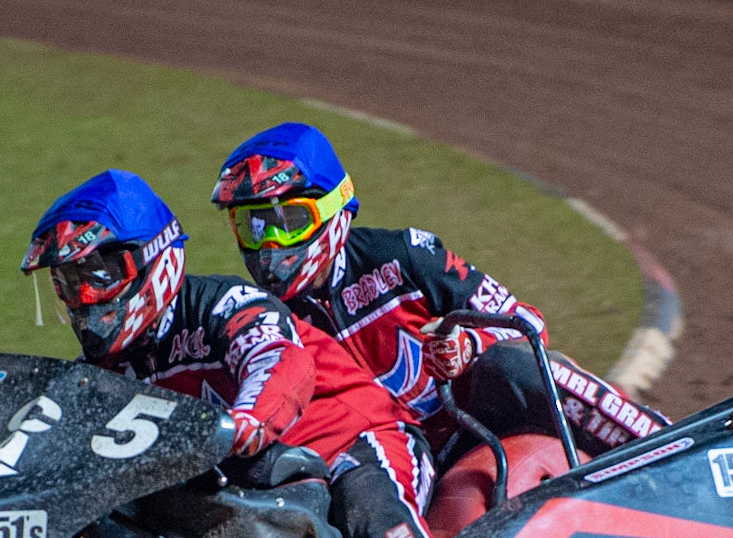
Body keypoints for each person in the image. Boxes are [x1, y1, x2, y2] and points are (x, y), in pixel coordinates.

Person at [21, 169, 437, 538]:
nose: (84, 297)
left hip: (356, 444)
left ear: (154, 259)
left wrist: (245, 422)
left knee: (370, 516)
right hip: (256, 484)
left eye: (99, 275)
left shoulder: (225, 304)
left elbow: (277, 361)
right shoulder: (97, 373)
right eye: (69, 282)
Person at [209, 122, 669, 462]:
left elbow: (528, 324)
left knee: (512, 361)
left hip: (481, 421)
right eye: (251, 227)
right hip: (405, 468)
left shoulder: (404, 256)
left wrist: (471, 343)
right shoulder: (263, 323)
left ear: (333, 210)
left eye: (288, 223)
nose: (269, 244)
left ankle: (665, 444)